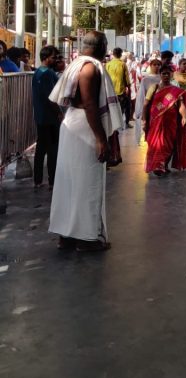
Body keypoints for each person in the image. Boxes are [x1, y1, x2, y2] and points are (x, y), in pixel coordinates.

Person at [48, 31, 123, 252]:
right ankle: (86, 238)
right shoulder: (89, 68)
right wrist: (101, 138)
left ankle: (66, 236)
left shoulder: (76, 64)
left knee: (69, 182)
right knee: (88, 182)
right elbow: (90, 105)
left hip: (72, 122)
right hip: (85, 127)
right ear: (102, 46)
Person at [143, 64, 186, 176]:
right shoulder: (154, 88)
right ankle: (158, 166)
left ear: (171, 75)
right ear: (160, 75)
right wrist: (144, 120)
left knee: (169, 145)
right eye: (164, 73)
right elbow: (146, 105)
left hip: (171, 122)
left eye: (168, 73)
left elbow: (181, 105)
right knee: (156, 144)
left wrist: (184, 117)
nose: (166, 76)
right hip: (156, 122)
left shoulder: (175, 90)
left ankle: (164, 165)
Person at [32, 45, 61, 190]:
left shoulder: (38, 72)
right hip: (50, 118)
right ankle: (53, 180)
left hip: (40, 116)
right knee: (52, 150)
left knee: (41, 148)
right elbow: (51, 98)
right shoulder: (48, 74)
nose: (55, 60)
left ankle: (37, 180)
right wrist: (59, 112)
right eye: (53, 57)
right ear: (46, 58)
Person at [134, 57, 162, 144]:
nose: (157, 66)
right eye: (155, 65)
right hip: (150, 105)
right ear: (150, 66)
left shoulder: (162, 78)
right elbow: (141, 95)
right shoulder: (145, 79)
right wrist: (141, 110)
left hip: (161, 105)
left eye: (158, 65)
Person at [106, 47, 131, 128]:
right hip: (120, 91)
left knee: (112, 109)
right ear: (120, 55)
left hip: (110, 91)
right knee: (123, 108)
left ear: (113, 54)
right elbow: (127, 79)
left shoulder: (108, 64)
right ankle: (124, 123)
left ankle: (114, 125)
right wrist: (129, 89)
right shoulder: (123, 64)